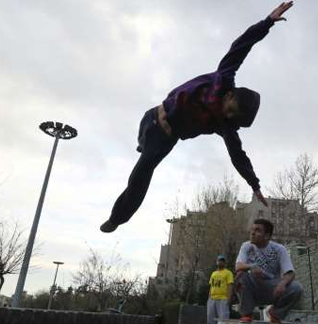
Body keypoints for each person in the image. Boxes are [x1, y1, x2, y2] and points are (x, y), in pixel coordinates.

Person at [100, 2, 294, 233]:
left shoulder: (225, 125)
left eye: (232, 117)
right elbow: (242, 46)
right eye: (230, 109)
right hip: (152, 117)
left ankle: (117, 219)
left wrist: (254, 185)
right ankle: (141, 147)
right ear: (230, 94)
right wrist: (268, 22)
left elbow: (238, 156)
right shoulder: (223, 78)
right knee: (143, 151)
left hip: (164, 139)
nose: (227, 115)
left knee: (141, 176)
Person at [235, 219, 303, 324]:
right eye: (252, 230)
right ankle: (247, 313)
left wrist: (282, 284)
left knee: (297, 288)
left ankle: (275, 313)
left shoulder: (279, 249)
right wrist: (251, 266)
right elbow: (238, 266)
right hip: (252, 288)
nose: (252, 233)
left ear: (266, 236)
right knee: (241, 274)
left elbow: (290, 272)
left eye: (257, 230)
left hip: (273, 289)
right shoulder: (246, 246)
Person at [204, 255, 234, 324]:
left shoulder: (228, 273)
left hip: (222, 299)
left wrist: (228, 299)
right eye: (219, 260)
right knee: (210, 320)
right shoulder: (213, 273)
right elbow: (211, 286)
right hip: (212, 299)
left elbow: (230, 286)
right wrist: (209, 299)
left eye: (222, 261)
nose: (220, 262)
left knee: (223, 320)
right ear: (216, 262)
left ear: (224, 263)